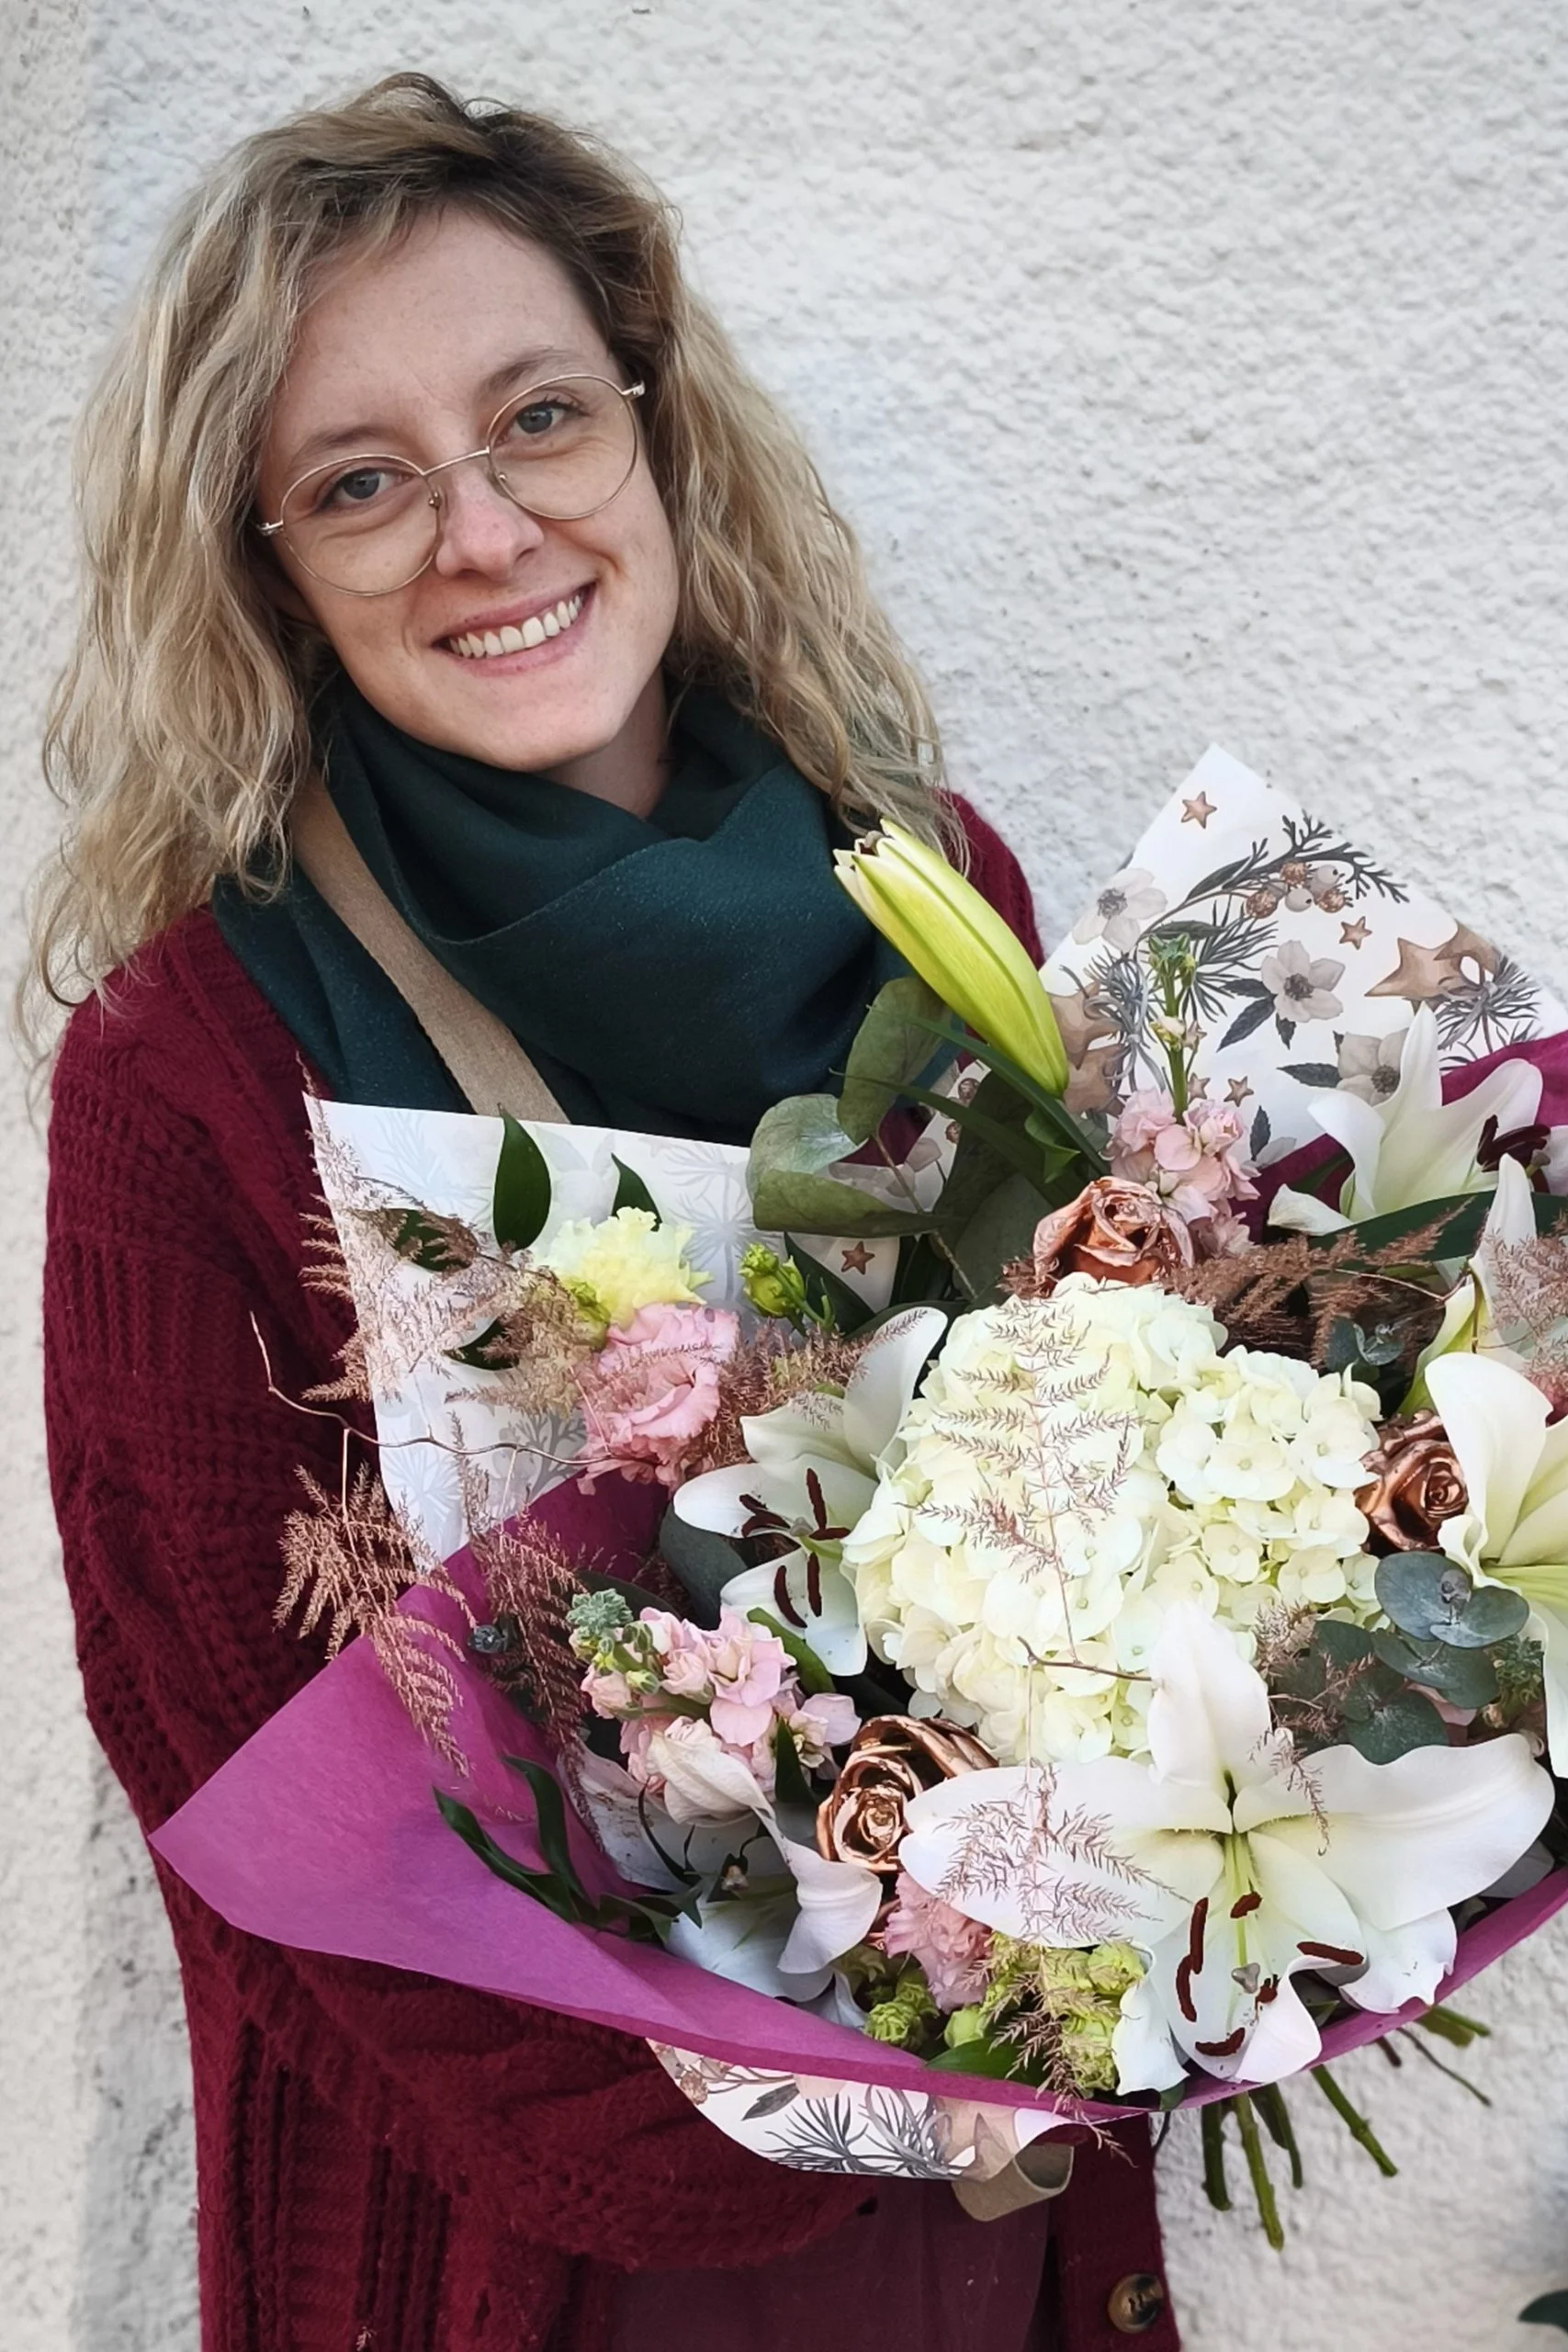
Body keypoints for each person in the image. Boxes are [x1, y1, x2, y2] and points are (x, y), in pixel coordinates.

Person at [34, 74, 1176, 2352]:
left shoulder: (933, 891)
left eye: (538, 417)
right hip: (540, 2240)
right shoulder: (199, 1066)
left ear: (651, 430)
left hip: (998, 2199)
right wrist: (816, 2103)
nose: (482, 529)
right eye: (359, 484)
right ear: (265, 568)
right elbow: (251, 1792)